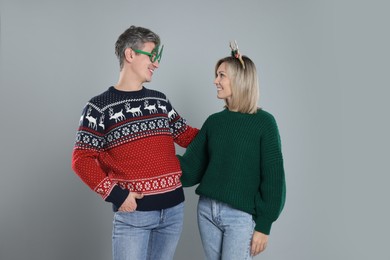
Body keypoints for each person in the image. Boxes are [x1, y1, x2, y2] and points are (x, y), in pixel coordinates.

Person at [71, 25, 199, 260]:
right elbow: (81, 160)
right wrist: (117, 196)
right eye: (152, 56)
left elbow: (187, 135)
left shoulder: (160, 101)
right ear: (130, 54)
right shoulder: (98, 108)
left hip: (173, 212)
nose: (156, 63)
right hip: (134, 215)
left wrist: (229, 123)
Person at [178, 41, 286, 260]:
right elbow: (190, 170)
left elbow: (274, 180)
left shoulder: (264, 123)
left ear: (239, 79)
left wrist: (264, 226)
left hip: (241, 216)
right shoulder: (214, 122)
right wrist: (154, 154)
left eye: (221, 76)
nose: (215, 81)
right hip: (207, 210)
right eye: (217, 75)